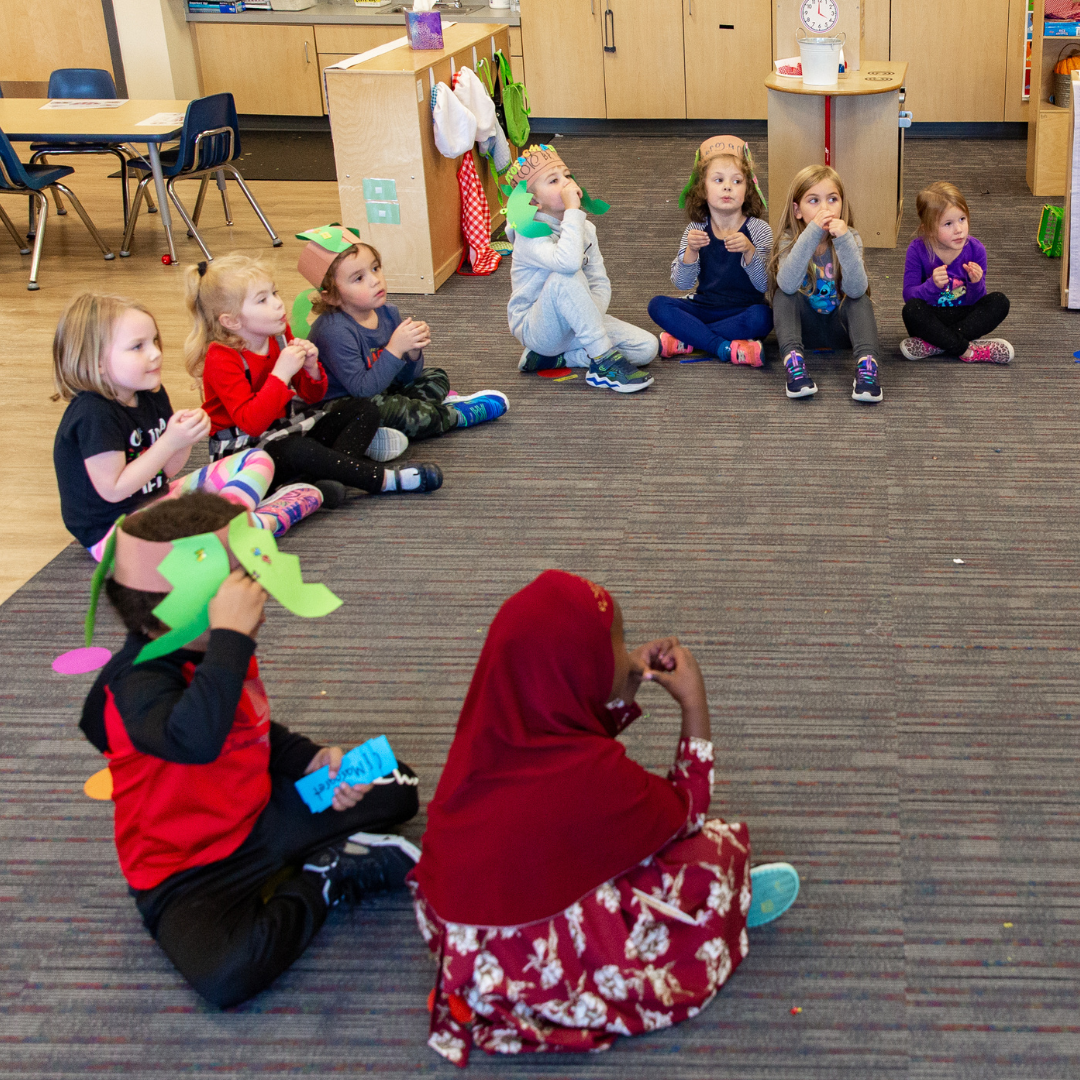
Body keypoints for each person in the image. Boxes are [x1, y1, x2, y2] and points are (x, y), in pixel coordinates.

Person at [409, 569, 799, 1066]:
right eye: (615, 647)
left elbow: (575, 720)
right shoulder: (593, 778)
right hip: (539, 970)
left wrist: (626, 675)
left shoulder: (492, 728)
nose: (626, 653)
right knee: (713, 850)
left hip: (468, 951)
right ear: (582, 673)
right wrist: (694, 702)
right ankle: (720, 914)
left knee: (596, 849)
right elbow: (688, 809)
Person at [79, 493, 422, 1007]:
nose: (259, 599)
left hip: (261, 813)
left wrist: (309, 757)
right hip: (188, 871)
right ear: (175, 619)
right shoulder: (134, 687)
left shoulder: (216, 655)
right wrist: (230, 639)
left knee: (395, 779)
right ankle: (323, 878)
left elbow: (252, 729)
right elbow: (194, 740)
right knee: (227, 974)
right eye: (240, 591)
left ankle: (322, 849)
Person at [52, 292, 322, 561]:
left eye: (154, 341)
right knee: (168, 554)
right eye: (138, 347)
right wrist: (169, 441)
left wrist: (185, 440)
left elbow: (167, 470)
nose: (155, 353)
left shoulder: (150, 392)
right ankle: (262, 522)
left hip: (159, 503)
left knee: (258, 459)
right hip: (115, 534)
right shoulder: (93, 413)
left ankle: (229, 526)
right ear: (97, 361)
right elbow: (114, 489)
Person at [185, 253, 443, 504]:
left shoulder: (277, 333)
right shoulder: (221, 358)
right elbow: (252, 423)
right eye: (261, 300)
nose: (277, 303)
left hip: (287, 426)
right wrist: (281, 373)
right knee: (297, 450)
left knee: (362, 410)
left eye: (274, 293)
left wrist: (311, 369)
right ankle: (384, 480)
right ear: (230, 321)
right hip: (245, 453)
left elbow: (311, 397)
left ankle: (321, 480)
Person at [299, 230, 509, 441]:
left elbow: (408, 377)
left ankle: (396, 427)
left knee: (436, 376)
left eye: (375, 268)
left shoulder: (388, 312)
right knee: (389, 409)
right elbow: (363, 390)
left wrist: (412, 353)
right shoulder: (334, 331)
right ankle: (455, 416)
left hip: (382, 393)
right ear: (332, 297)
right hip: (345, 408)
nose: (375, 280)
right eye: (359, 278)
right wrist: (395, 349)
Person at [506, 144, 657, 393]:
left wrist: (587, 318)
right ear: (534, 201)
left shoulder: (586, 230)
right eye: (553, 181)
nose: (566, 184)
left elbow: (599, 281)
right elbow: (567, 263)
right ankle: (603, 363)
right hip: (538, 329)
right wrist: (573, 213)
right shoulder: (529, 236)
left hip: (576, 325)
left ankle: (558, 359)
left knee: (646, 347)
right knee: (566, 275)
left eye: (567, 175)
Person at [648, 135, 773, 365]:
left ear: (748, 189)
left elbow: (765, 285)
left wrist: (749, 251)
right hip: (704, 306)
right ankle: (722, 346)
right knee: (657, 305)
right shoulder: (695, 228)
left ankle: (689, 338)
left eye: (737, 181)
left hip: (744, 309)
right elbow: (682, 283)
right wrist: (691, 252)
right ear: (703, 189)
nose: (727, 186)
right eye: (718, 180)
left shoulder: (759, 229)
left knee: (764, 318)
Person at [768, 164, 883, 403]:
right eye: (814, 201)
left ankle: (867, 368)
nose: (825, 208)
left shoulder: (850, 236)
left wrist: (844, 241)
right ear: (797, 210)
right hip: (803, 330)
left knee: (860, 299)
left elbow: (856, 289)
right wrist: (811, 233)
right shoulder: (789, 239)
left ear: (842, 204)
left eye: (832, 199)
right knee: (783, 295)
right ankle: (794, 365)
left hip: (841, 331)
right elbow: (788, 284)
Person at [900, 181, 1012, 364]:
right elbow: (909, 296)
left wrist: (976, 283)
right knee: (912, 311)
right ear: (928, 229)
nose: (959, 229)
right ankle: (969, 350)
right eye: (948, 224)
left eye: (962, 219)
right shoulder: (917, 249)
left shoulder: (976, 249)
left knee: (999, 301)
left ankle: (937, 344)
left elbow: (976, 300)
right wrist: (931, 285)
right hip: (932, 316)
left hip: (964, 317)